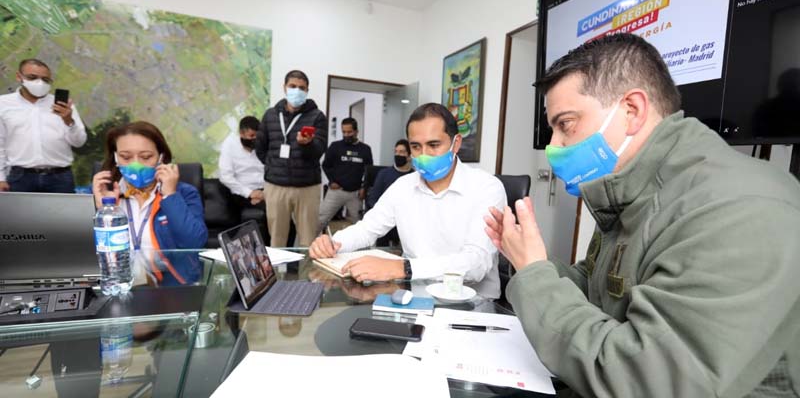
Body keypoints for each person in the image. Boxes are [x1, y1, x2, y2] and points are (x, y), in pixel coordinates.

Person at [484, 33, 800, 397]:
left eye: (566, 124)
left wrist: (535, 275)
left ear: (632, 110)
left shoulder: (739, 207)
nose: (554, 146)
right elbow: (598, 291)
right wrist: (530, 261)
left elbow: (649, 380)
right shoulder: (632, 193)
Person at [309, 103, 506, 299]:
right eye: (416, 147)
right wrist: (334, 243)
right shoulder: (402, 186)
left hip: (473, 305)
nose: (424, 154)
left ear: (456, 144)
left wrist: (403, 268)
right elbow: (367, 229)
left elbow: (476, 263)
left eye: (434, 145)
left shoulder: (486, 188)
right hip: (414, 297)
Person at [92, 121, 207, 286]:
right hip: (120, 286)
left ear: (161, 157)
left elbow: (194, 243)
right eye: (126, 157)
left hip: (172, 288)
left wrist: (170, 196)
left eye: (146, 157)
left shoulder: (184, 193)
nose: (136, 164)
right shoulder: (104, 193)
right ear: (116, 158)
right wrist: (103, 209)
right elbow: (84, 256)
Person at [256, 70, 328, 247]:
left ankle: (306, 274)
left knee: (307, 240)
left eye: (302, 88)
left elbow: (319, 150)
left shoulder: (317, 116)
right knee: (277, 238)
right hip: (276, 186)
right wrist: (275, 166)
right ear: (285, 88)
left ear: (307, 91)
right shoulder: (270, 115)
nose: (297, 91)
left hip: (307, 187)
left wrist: (307, 145)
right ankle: (279, 275)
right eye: (293, 86)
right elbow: (260, 148)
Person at [0, 58, 87, 193]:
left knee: (63, 214)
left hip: (60, 177)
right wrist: (0, 178)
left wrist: (69, 121)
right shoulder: (3, 104)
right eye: (32, 77)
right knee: (18, 214)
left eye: (45, 80)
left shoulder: (63, 106)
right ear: (19, 77)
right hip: (20, 177)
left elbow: (79, 142)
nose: (39, 83)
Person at [318, 117, 373, 232]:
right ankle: (310, 245)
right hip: (336, 192)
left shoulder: (365, 149)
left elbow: (369, 171)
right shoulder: (335, 146)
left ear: (356, 131)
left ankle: (361, 249)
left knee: (360, 225)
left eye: (349, 132)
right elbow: (325, 165)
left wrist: (364, 187)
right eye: (344, 132)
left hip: (355, 194)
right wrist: (332, 181)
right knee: (320, 220)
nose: (346, 134)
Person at [219, 116, 265, 209]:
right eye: (251, 136)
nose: (255, 139)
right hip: (242, 192)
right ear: (241, 134)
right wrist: (250, 193)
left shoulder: (262, 142)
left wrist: (264, 194)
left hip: (266, 190)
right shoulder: (229, 145)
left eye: (257, 136)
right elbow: (225, 177)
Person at [366, 139, 413, 210]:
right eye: (396, 152)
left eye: (401, 152)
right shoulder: (384, 174)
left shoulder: (414, 176)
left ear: (409, 156)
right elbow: (372, 199)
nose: (397, 155)